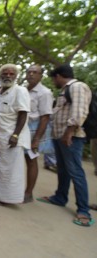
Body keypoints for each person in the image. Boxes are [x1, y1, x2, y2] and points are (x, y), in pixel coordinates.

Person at [37, 64, 94, 227]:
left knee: (75, 171)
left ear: (59, 76)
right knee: (63, 169)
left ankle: (83, 210)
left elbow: (79, 112)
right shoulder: (65, 90)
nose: (54, 82)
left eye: (54, 78)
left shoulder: (77, 87)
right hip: (60, 136)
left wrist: (69, 133)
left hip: (71, 137)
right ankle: (60, 197)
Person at [0, 64, 30, 205]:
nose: (8, 76)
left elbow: (23, 113)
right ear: (0, 76)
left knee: (10, 172)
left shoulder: (20, 91)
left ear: (16, 76)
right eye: (5, 73)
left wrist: (16, 135)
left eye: (11, 74)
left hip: (11, 137)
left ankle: (8, 198)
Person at [23, 65, 54, 203]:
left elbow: (45, 117)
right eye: (29, 72)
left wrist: (36, 139)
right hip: (22, 128)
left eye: (35, 72)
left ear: (41, 76)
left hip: (34, 130)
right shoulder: (23, 89)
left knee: (31, 160)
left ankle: (28, 193)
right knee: (18, 159)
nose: (31, 74)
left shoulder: (44, 93)